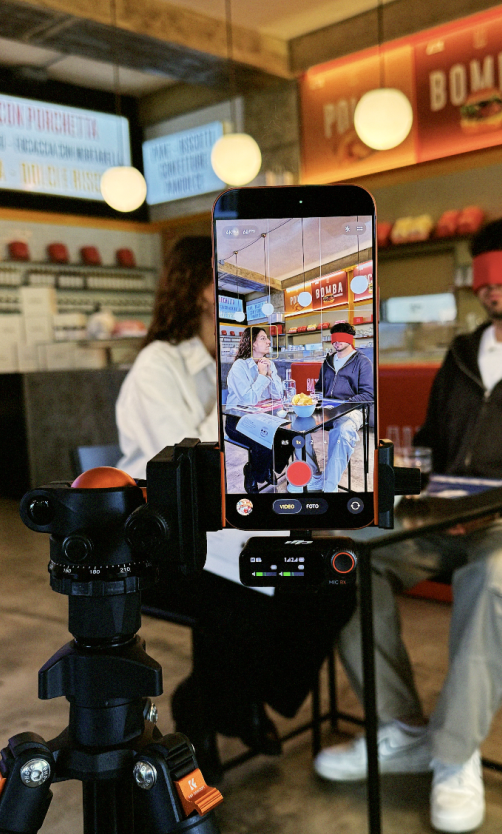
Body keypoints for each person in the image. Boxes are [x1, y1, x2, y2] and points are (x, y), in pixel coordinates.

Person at [313, 217, 502, 834]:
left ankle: (453, 754)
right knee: (344, 559)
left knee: (498, 569)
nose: (491, 286)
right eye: (482, 274)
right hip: (446, 519)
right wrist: (412, 489)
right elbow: (430, 447)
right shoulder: (460, 355)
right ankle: (401, 730)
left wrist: (495, 506)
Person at [116, 236, 355, 782]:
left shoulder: (256, 361)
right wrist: (238, 388)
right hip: (170, 541)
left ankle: (232, 696)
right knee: (246, 595)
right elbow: (182, 471)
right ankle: (211, 705)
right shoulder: (159, 366)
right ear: (203, 291)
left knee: (334, 583)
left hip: (245, 525)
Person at [303, 321, 374, 493]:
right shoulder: (327, 361)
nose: (336, 342)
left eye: (340, 337)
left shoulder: (362, 362)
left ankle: (329, 486)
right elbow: (319, 387)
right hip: (326, 410)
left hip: (352, 410)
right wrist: (315, 399)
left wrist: (342, 405)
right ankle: (314, 477)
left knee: (343, 432)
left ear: (350, 338)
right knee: (297, 428)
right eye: (333, 339)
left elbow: (369, 394)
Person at [225, 326, 293, 493]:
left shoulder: (270, 364)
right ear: (252, 344)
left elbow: (278, 396)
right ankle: (254, 473)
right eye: (263, 338)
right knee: (264, 439)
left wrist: (269, 374)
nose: (269, 341)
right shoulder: (239, 367)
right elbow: (248, 400)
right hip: (237, 421)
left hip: (263, 417)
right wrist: (261, 376)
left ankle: (267, 467)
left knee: (290, 434)